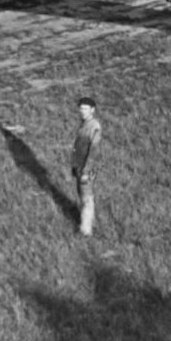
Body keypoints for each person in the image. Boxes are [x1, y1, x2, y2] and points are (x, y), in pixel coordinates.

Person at [71, 96, 102, 237]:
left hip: (86, 169)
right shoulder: (84, 124)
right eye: (81, 108)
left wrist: (85, 171)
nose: (82, 111)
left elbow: (93, 151)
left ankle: (85, 230)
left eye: (85, 108)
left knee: (86, 198)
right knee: (83, 196)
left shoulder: (94, 126)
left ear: (92, 110)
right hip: (79, 166)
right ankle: (89, 221)